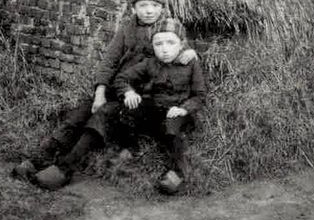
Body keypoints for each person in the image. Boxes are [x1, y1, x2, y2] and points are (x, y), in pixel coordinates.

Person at [12, 0, 195, 180]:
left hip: (143, 98)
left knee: (102, 116)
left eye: (155, 5)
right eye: (143, 5)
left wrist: (190, 53)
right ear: (134, 7)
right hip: (119, 86)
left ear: (162, 7)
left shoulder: (169, 30)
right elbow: (109, 61)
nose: (149, 11)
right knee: (81, 112)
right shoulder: (128, 29)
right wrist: (100, 92)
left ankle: (65, 169)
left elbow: (183, 52)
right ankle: (40, 158)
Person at [33, 18, 206, 195]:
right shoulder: (150, 63)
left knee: (173, 127)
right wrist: (129, 92)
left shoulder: (190, 63)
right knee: (108, 111)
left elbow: (199, 96)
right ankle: (66, 167)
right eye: (158, 43)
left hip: (178, 112)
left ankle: (176, 173)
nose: (164, 49)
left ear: (181, 44)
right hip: (153, 110)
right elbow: (122, 78)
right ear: (152, 45)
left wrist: (184, 108)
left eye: (171, 43)